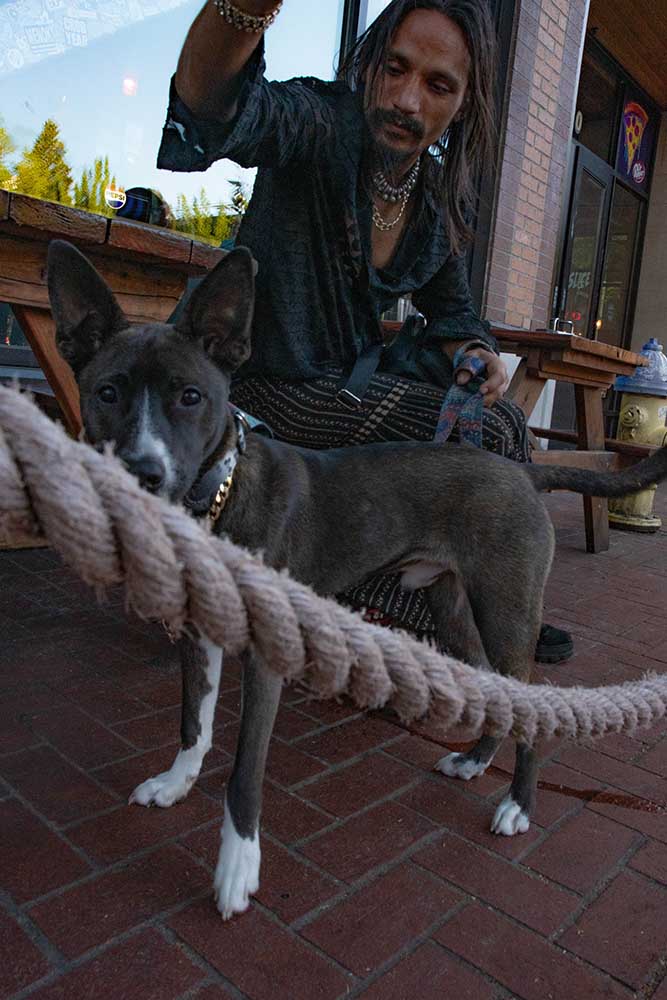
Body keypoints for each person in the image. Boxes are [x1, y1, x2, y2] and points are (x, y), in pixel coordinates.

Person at [157, 0, 573, 663]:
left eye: (437, 85)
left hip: (342, 391)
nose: (406, 100)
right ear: (371, 63)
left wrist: (474, 352)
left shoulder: (431, 196)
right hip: (260, 391)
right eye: (395, 68)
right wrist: (244, 11)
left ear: (462, 103)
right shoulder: (321, 125)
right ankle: (401, 606)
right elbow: (216, 105)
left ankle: (493, 594)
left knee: (500, 427)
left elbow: (454, 310)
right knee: (490, 439)